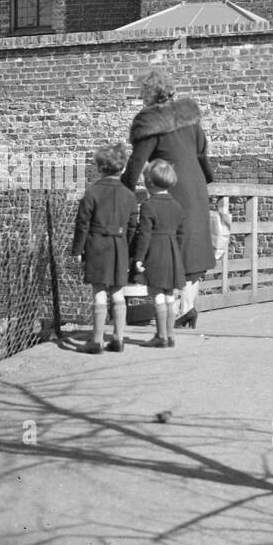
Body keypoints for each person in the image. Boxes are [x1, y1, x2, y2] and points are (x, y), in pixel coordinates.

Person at [122, 67, 214, 328]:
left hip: (172, 186)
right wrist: (206, 179)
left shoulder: (150, 121)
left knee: (169, 246)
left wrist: (124, 187)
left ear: (148, 94)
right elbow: (201, 153)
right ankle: (188, 308)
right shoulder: (188, 116)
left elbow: (137, 161)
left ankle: (179, 310)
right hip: (196, 185)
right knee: (193, 248)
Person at [71, 141, 137, 353]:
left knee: (99, 290)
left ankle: (97, 340)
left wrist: (78, 250)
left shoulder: (91, 193)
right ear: (124, 168)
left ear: (99, 168)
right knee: (118, 291)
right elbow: (133, 225)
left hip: (96, 245)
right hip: (119, 245)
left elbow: (82, 224)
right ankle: (118, 339)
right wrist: (127, 247)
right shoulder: (129, 195)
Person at [131, 160, 186, 348]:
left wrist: (139, 258)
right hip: (173, 255)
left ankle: (160, 336)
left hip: (155, 253)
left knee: (157, 295)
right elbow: (181, 234)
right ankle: (170, 336)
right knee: (170, 296)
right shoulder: (178, 206)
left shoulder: (148, 205)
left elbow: (144, 235)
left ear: (150, 183)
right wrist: (177, 254)